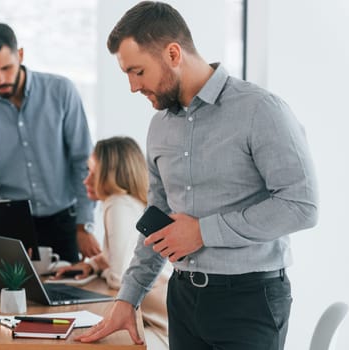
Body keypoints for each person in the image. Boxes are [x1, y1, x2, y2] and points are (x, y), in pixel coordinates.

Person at [76, 2, 319, 350]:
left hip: (249, 301)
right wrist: (128, 298)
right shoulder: (159, 126)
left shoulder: (260, 110)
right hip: (183, 297)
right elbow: (156, 220)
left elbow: (301, 205)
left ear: (173, 53)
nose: (132, 86)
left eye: (138, 71)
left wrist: (203, 231)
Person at [0, 22, 100, 263]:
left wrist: (83, 226)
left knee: (70, 297)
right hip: (13, 228)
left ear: (21, 55)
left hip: (65, 223)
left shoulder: (61, 92)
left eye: (6, 68)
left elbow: (82, 161)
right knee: (11, 299)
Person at [54, 136, 169, 346]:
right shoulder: (126, 202)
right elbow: (114, 257)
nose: (85, 180)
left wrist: (103, 270)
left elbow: (118, 277)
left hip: (157, 326)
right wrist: (92, 265)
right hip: (152, 318)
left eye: (92, 173)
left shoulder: (117, 205)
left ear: (111, 175)